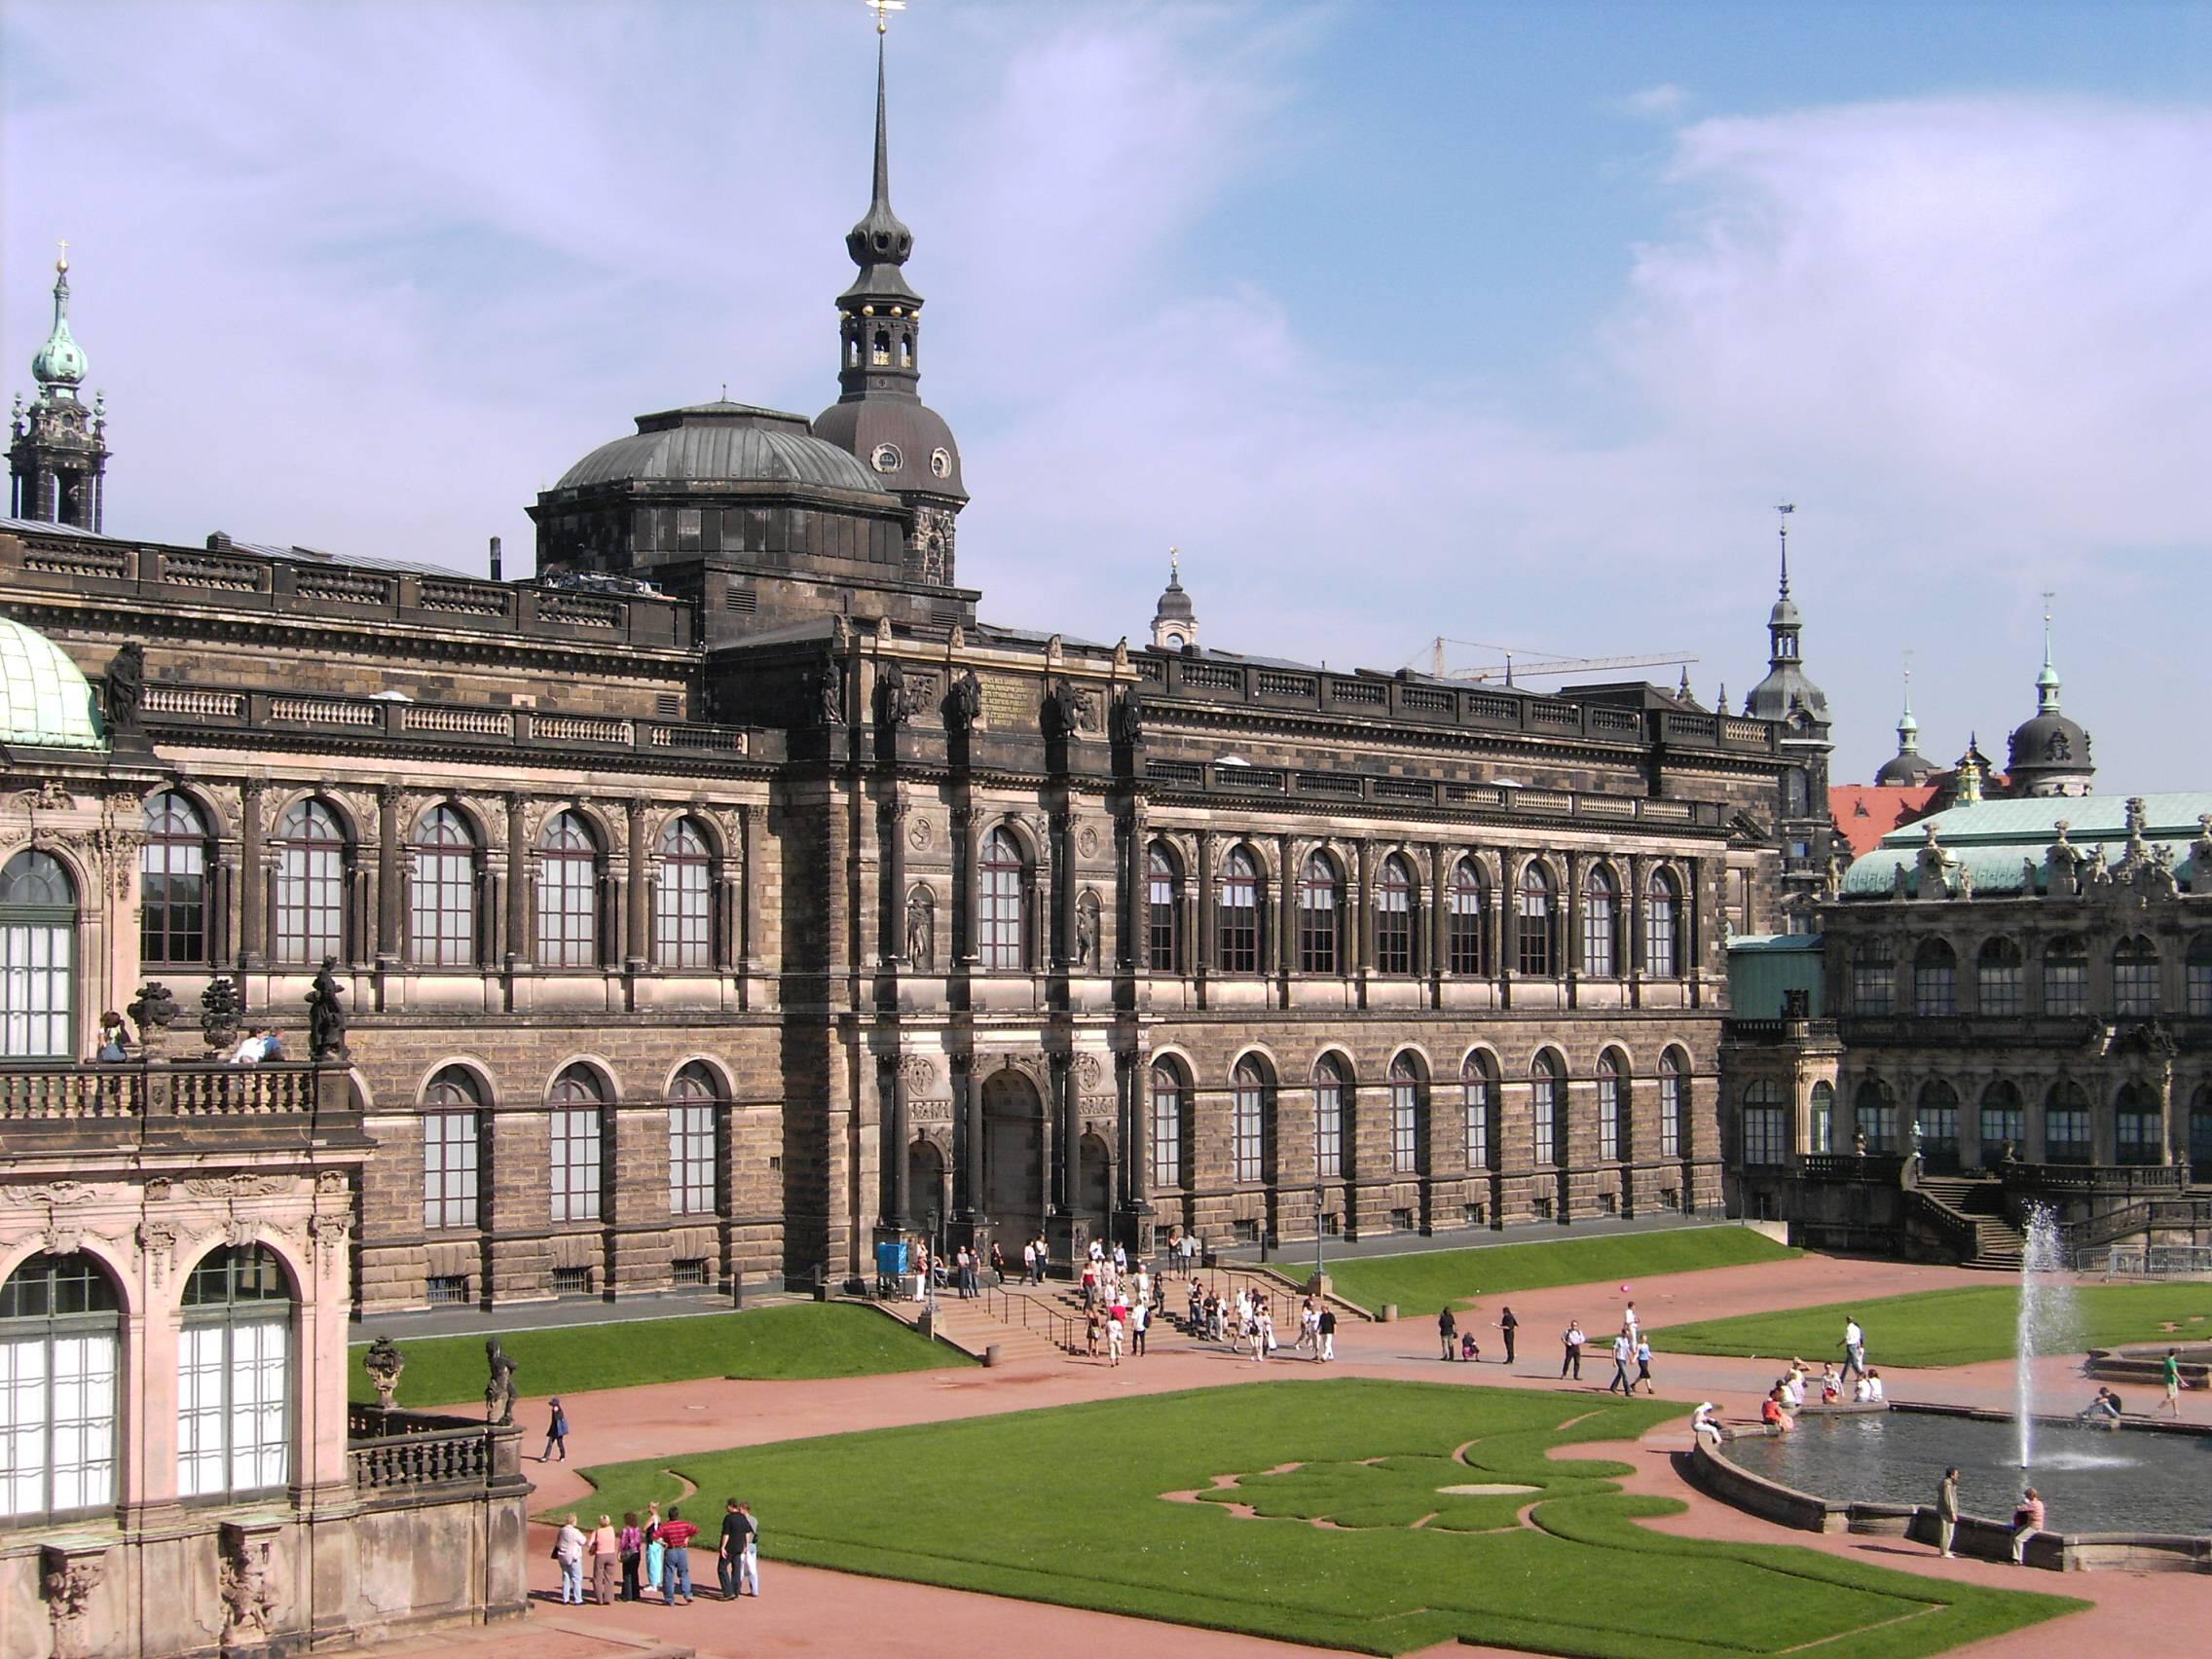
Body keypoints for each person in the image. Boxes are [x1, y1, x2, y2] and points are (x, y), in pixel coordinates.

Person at [657, 1505, 697, 1604]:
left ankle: (669, 1599)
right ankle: (687, 1594)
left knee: (669, 1575)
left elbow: (654, 1536)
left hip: (671, 1550)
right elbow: (695, 1530)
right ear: (678, 1515)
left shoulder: (665, 1526)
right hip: (682, 1551)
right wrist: (687, 1538)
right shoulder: (684, 1524)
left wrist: (662, 1543)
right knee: (684, 1573)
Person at [718, 1498, 749, 1600]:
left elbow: (726, 1534)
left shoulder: (728, 1518)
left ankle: (728, 1591)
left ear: (731, 1506)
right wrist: (746, 1545)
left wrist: (723, 1547)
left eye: (727, 1506)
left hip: (729, 1548)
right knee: (736, 1569)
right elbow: (747, 1532)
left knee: (722, 1568)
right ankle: (736, 1591)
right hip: (739, 1547)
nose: (726, 1508)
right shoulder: (742, 1517)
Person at [554, 1514, 586, 1605]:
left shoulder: (562, 1530)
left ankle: (565, 1598)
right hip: (573, 1556)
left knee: (566, 1577)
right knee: (577, 1578)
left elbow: (557, 1543)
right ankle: (578, 1599)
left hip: (562, 1556)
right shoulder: (574, 1531)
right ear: (573, 1521)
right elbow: (583, 1541)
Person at [589, 1513, 619, 1605]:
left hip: (600, 1555)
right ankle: (608, 1598)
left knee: (597, 1578)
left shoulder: (598, 1531)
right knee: (609, 1578)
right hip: (611, 1555)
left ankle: (599, 1599)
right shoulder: (611, 1529)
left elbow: (590, 1543)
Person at [2010, 1487, 2045, 1565]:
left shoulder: (2033, 1504)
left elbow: (2019, 1509)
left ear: (2030, 1496)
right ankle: (2014, 1556)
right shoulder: (2040, 1503)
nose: (2026, 1497)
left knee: (2018, 1539)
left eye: (2027, 1496)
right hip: (2031, 1524)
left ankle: (2019, 1559)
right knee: (2015, 1533)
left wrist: (2019, 1505)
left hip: (2034, 1526)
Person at [733, 1500, 760, 1598]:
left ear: (744, 1509)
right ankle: (755, 1591)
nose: (739, 1511)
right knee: (753, 1569)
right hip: (753, 1546)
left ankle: (736, 1589)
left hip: (746, 1546)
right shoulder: (754, 1519)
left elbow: (746, 1533)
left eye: (740, 1509)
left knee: (740, 1568)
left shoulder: (744, 1520)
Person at [618, 1511, 644, 1602]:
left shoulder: (626, 1530)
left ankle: (627, 1595)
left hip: (628, 1553)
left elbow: (623, 1543)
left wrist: (619, 1553)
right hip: (637, 1553)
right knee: (634, 1573)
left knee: (627, 1574)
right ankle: (636, 1594)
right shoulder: (637, 1529)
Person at [1936, 1466, 1960, 1558]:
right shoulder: (1948, 1484)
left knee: (1947, 1531)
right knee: (1947, 1532)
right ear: (1952, 1475)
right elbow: (1948, 1499)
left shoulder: (1947, 1483)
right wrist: (1952, 1513)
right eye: (1956, 1474)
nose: (1958, 1476)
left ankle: (1945, 1550)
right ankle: (1944, 1551)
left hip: (1945, 1511)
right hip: (1947, 1512)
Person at [1840, 1314, 1867, 1384]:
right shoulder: (1857, 1328)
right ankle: (1842, 1378)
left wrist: (1839, 1344)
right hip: (1855, 1345)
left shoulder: (1849, 1328)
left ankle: (1862, 1374)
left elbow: (1846, 1338)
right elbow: (1859, 1338)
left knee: (1854, 1362)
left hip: (1850, 1346)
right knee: (1848, 1363)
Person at [1606, 1330, 1635, 1394]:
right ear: (1622, 1333)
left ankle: (1613, 1387)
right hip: (1619, 1358)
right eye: (1625, 1334)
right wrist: (1614, 1361)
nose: (1626, 1335)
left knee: (1620, 1374)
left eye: (1627, 1334)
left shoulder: (1626, 1340)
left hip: (1624, 1359)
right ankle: (1627, 1391)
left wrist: (1630, 1358)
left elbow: (1627, 1350)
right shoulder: (1618, 1340)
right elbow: (1614, 1349)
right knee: (1625, 1375)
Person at [543, 1397, 570, 1462]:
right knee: (549, 1444)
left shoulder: (559, 1411)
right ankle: (546, 1457)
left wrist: (556, 1412)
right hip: (553, 1430)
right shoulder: (554, 1410)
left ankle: (562, 1456)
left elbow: (557, 1419)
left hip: (558, 1431)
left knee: (560, 1444)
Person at [2161, 1346, 2184, 1416]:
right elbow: (2175, 1372)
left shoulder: (2167, 1360)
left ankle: (2176, 1413)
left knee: (2175, 1397)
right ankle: (2157, 1410)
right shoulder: (2171, 1362)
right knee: (2171, 1398)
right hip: (2171, 1382)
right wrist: (2182, 1381)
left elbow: (2163, 1358)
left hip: (2170, 1381)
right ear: (2175, 1354)